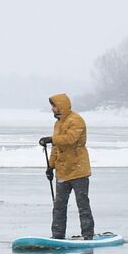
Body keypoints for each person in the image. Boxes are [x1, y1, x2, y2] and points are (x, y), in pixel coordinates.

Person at [38, 93, 93, 240]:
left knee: (82, 205)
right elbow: (56, 148)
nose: (52, 109)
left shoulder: (76, 120)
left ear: (61, 106)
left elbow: (70, 139)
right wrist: (50, 167)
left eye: (54, 106)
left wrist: (51, 139)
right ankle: (57, 236)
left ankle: (88, 236)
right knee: (59, 206)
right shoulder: (58, 123)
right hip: (62, 172)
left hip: (78, 170)